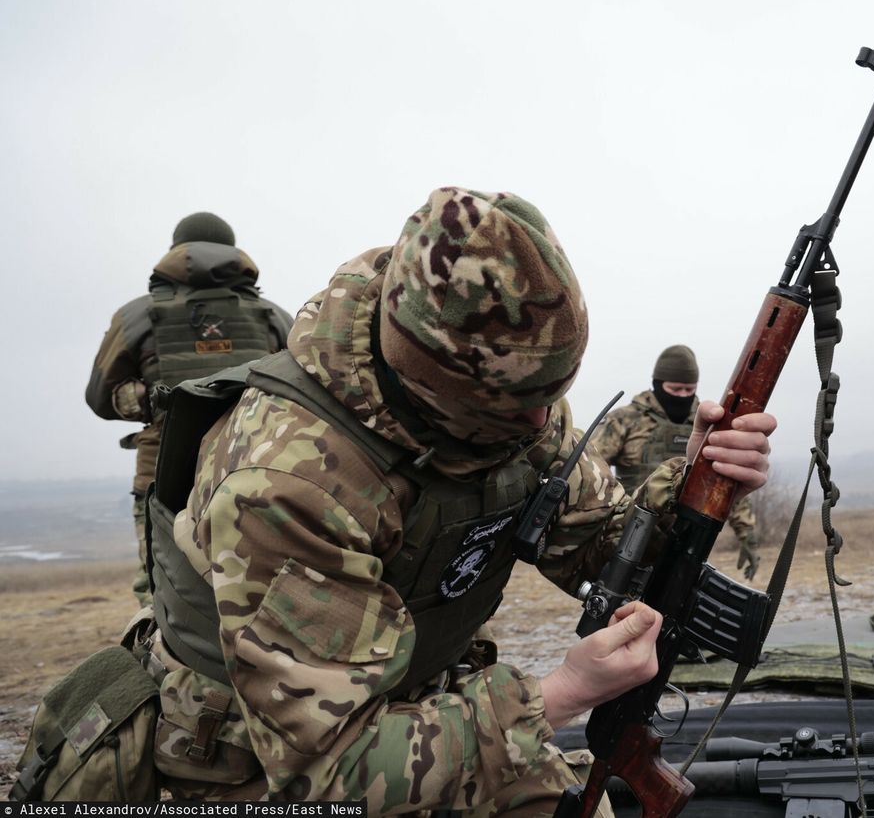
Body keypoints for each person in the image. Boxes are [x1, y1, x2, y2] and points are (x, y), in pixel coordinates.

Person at [135, 188, 776, 813]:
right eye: (514, 409)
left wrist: (692, 484)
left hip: (425, 703)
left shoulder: (504, 397)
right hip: (256, 767)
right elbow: (329, 772)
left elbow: (596, 544)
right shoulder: (289, 480)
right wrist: (563, 693)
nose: (540, 425)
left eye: (547, 397)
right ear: (431, 383)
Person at [85, 213, 293, 605]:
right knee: (259, 588)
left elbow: (100, 397)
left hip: (165, 474)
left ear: (175, 251)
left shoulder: (135, 316)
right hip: (257, 470)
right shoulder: (275, 317)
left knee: (162, 593)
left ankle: (161, 663)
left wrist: (151, 396)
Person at [594, 345, 762, 580]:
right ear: (657, 384)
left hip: (688, 540)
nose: (682, 395)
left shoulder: (708, 424)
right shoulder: (625, 420)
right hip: (631, 535)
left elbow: (725, 481)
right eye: (675, 388)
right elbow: (591, 470)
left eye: (689, 389)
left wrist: (747, 536)